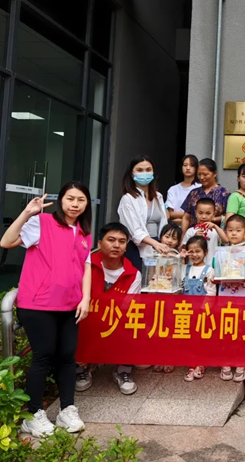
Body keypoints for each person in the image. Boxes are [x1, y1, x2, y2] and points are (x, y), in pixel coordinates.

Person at [0, 183, 92, 436]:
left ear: (87, 204)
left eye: (81, 200)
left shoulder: (84, 232)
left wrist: (85, 298)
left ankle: (67, 409)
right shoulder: (42, 222)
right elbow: (6, 241)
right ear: (61, 200)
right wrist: (27, 213)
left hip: (70, 305)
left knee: (67, 357)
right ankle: (33, 415)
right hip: (38, 304)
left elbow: (86, 267)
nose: (75, 204)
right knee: (43, 356)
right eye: (70, 198)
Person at [79, 223, 141, 396]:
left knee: (134, 322)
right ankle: (82, 368)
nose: (116, 245)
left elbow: (127, 309)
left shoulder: (134, 274)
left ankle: (123, 370)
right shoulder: (85, 265)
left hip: (115, 321)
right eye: (111, 240)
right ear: (99, 243)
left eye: (122, 241)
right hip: (87, 320)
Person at [217, 214, 245, 382]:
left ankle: (242, 362)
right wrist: (213, 278)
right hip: (225, 299)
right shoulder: (220, 252)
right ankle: (226, 361)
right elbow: (215, 270)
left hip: (243, 298)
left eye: (238, 230)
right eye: (230, 230)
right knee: (226, 330)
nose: (233, 233)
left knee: (243, 330)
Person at [118, 155, 170, 270]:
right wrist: (154, 243)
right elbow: (135, 231)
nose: (144, 173)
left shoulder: (158, 196)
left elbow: (164, 223)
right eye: (140, 170)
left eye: (148, 170)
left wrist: (162, 243)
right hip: (137, 248)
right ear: (132, 174)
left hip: (158, 247)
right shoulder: (128, 199)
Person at [181, 236, 216, 382]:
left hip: (202, 313)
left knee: (202, 339)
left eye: (198, 251)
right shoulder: (184, 268)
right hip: (186, 312)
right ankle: (191, 365)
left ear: (205, 252)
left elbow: (211, 292)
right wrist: (180, 258)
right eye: (191, 251)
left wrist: (203, 310)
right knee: (189, 339)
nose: (194, 255)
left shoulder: (209, 270)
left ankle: (201, 364)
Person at [153, 222, 181, 375]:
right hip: (156, 297)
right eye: (167, 236)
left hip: (172, 298)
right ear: (160, 237)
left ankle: (169, 358)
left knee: (171, 328)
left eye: (174, 238)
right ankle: (158, 357)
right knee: (157, 327)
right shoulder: (153, 254)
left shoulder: (178, 257)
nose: (170, 241)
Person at [180, 158, 231, 235]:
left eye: (205, 174)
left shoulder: (224, 194)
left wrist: (211, 219)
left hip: (215, 235)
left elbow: (228, 216)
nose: (201, 177)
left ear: (215, 173)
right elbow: (186, 217)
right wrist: (183, 236)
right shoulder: (194, 193)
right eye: (199, 174)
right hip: (194, 235)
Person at [182, 198, 228, 265]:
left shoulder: (215, 231)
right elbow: (184, 249)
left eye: (208, 213)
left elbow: (226, 241)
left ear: (214, 214)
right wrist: (194, 238)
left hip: (211, 266)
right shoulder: (190, 231)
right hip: (192, 266)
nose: (204, 216)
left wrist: (215, 226)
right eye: (200, 213)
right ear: (196, 213)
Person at [166, 155, 201, 226]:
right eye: (185, 165)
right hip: (176, 228)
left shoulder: (200, 188)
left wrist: (181, 220)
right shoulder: (173, 189)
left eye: (191, 165)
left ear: (196, 168)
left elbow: (201, 213)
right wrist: (189, 216)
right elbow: (171, 213)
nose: (188, 168)